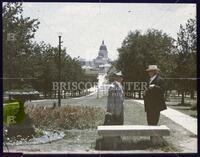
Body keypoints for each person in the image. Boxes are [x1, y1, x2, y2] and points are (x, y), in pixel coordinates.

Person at [143, 65, 167, 145]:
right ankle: (151, 140)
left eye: (151, 71)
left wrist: (155, 87)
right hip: (149, 106)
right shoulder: (148, 80)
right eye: (149, 71)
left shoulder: (160, 80)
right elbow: (148, 91)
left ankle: (154, 141)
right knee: (150, 123)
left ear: (155, 72)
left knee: (154, 123)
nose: (149, 72)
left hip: (156, 106)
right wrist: (145, 93)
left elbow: (162, 91)